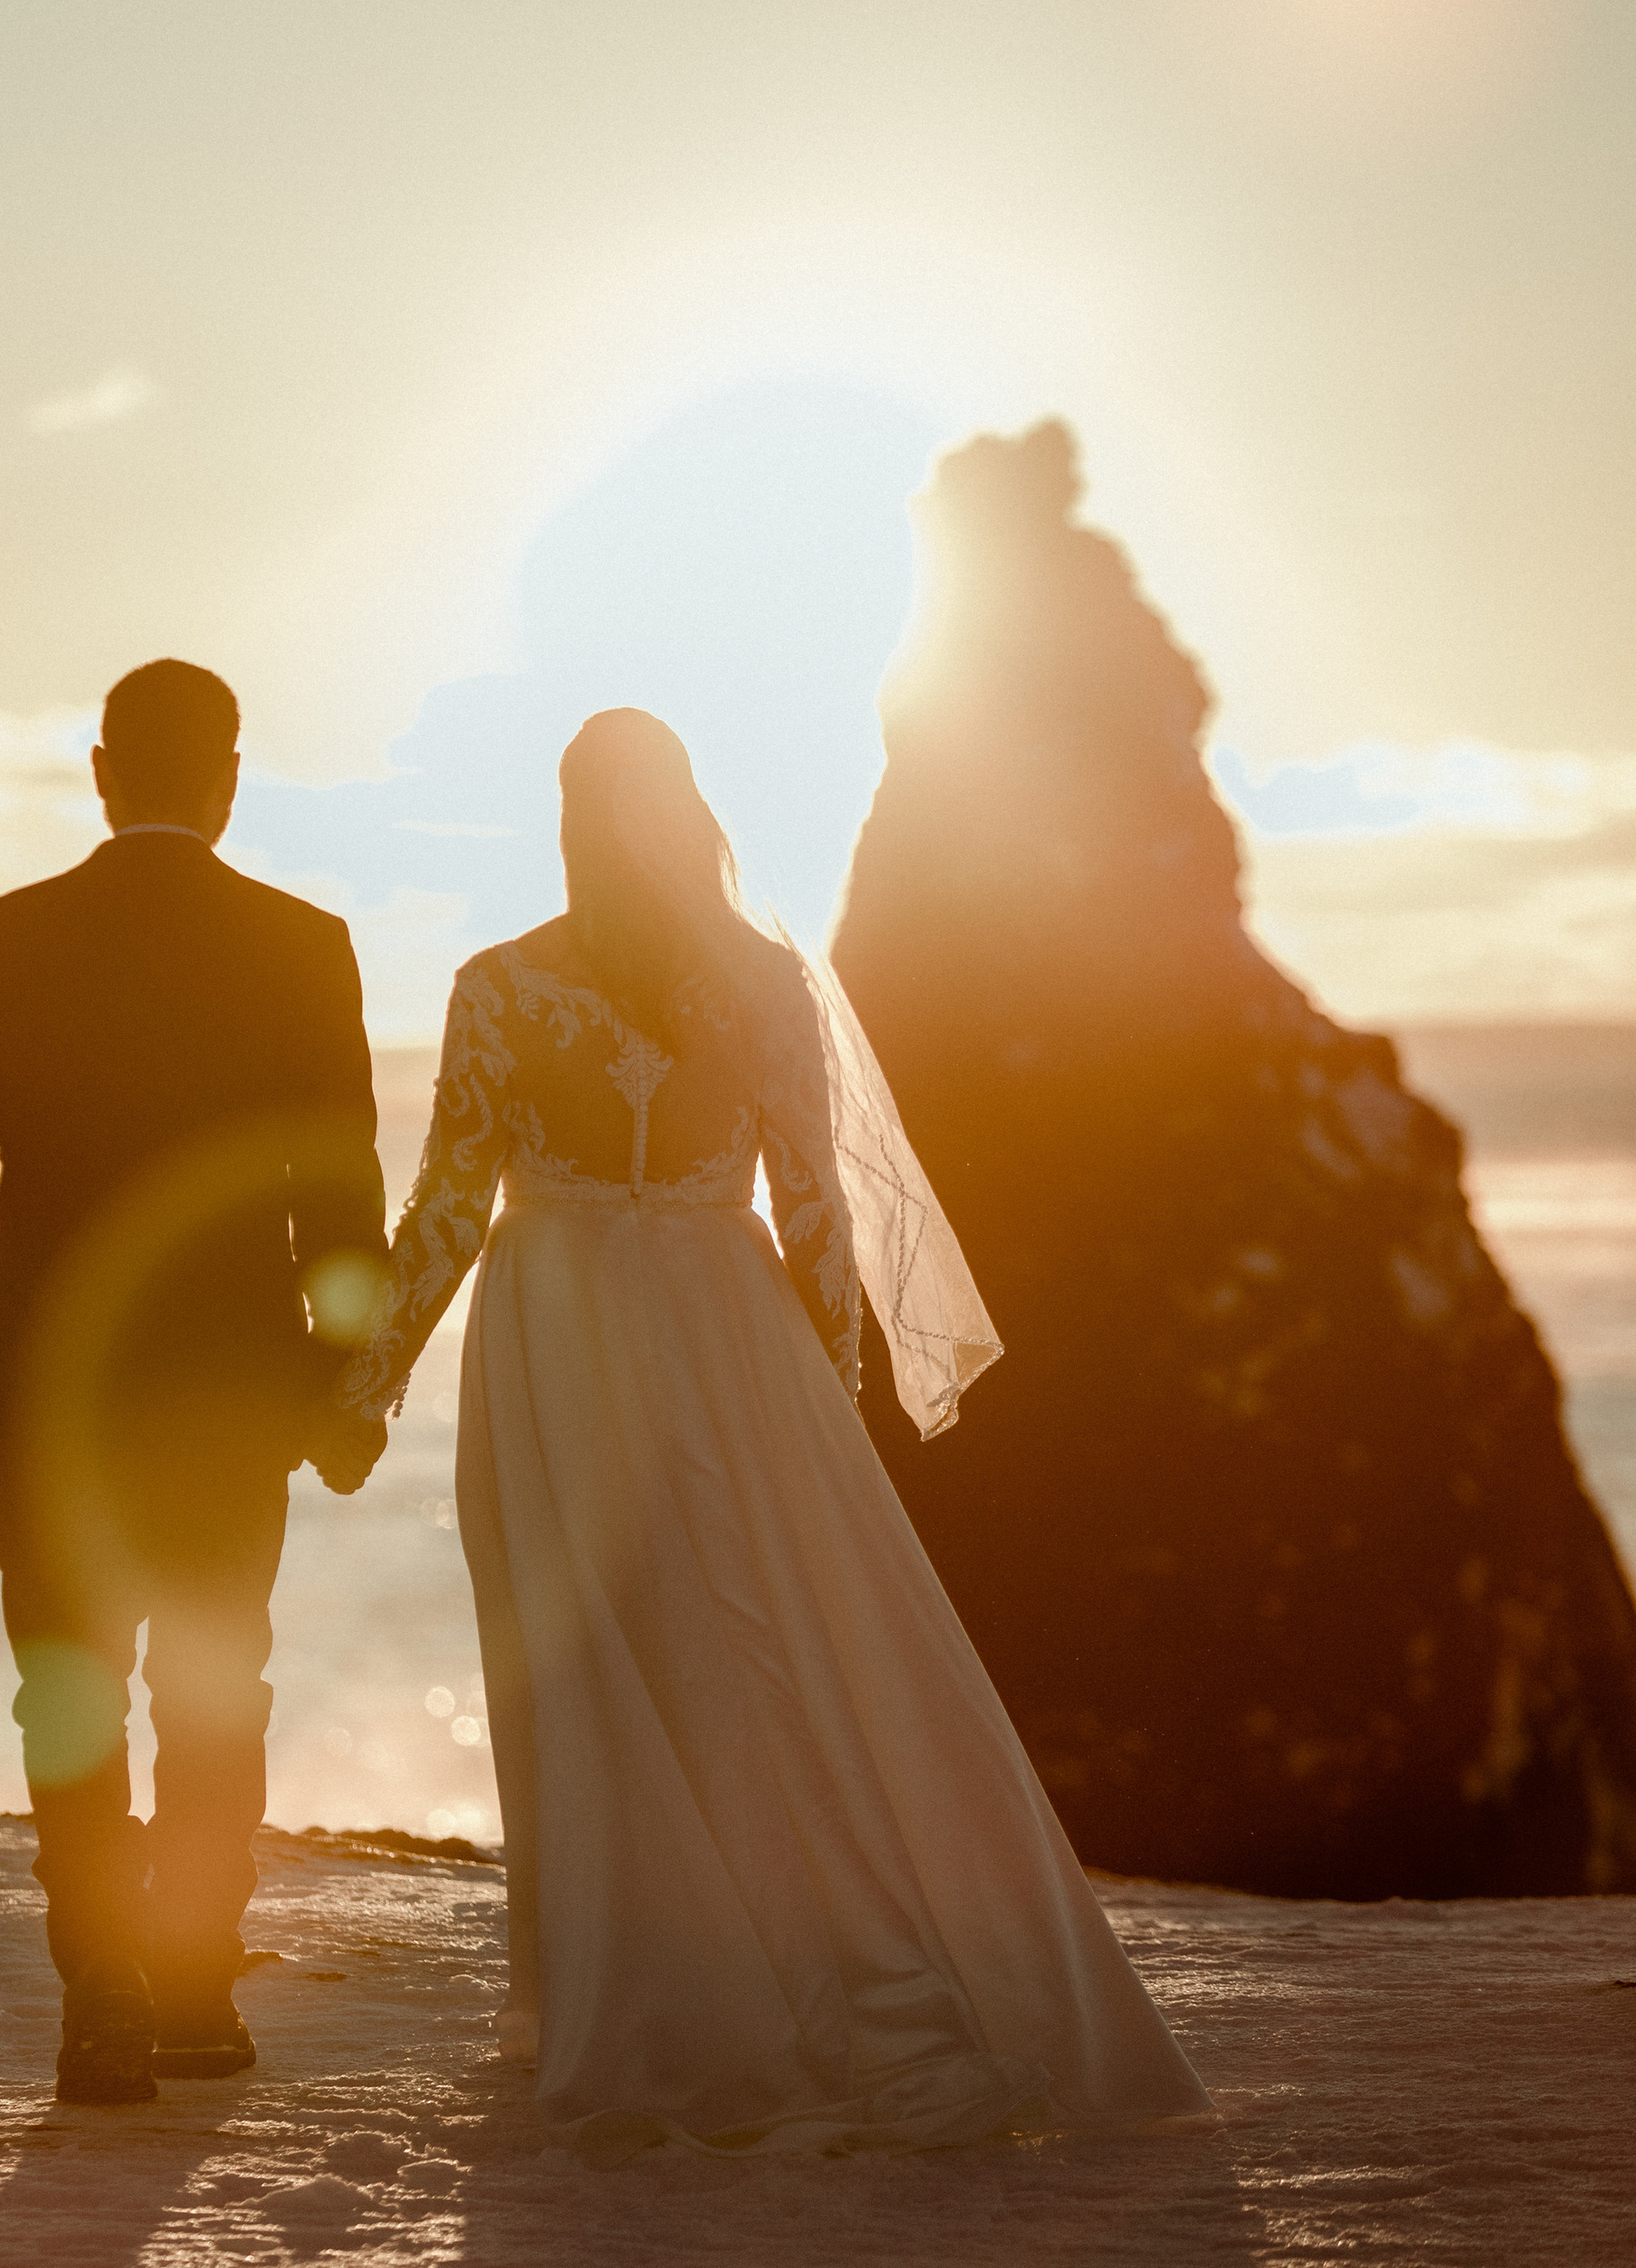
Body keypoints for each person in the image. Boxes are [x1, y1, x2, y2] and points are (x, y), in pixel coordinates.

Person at [332, 708, 1211, 2149]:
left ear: (569, 819)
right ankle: (822, 1967)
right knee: (772, 1645)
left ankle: (657, 1998)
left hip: (555, 1336)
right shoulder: (763, 984)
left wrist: (361, 1387)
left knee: (598, 1654)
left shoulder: (500, 987)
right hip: (728, 1336)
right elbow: (816, 1216)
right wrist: (829, 1401)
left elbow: (442, 1213)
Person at [0, 659, 390, 2106]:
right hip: (231, 1384)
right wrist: (343, 1385)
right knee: (217, 1682)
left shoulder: (2, 937)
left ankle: (100, 2002)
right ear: (229, 780)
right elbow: (339, 1195)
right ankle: (193, 1988)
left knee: (69, 1687)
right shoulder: (304, 944)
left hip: (45, 1382)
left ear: (103, 772)